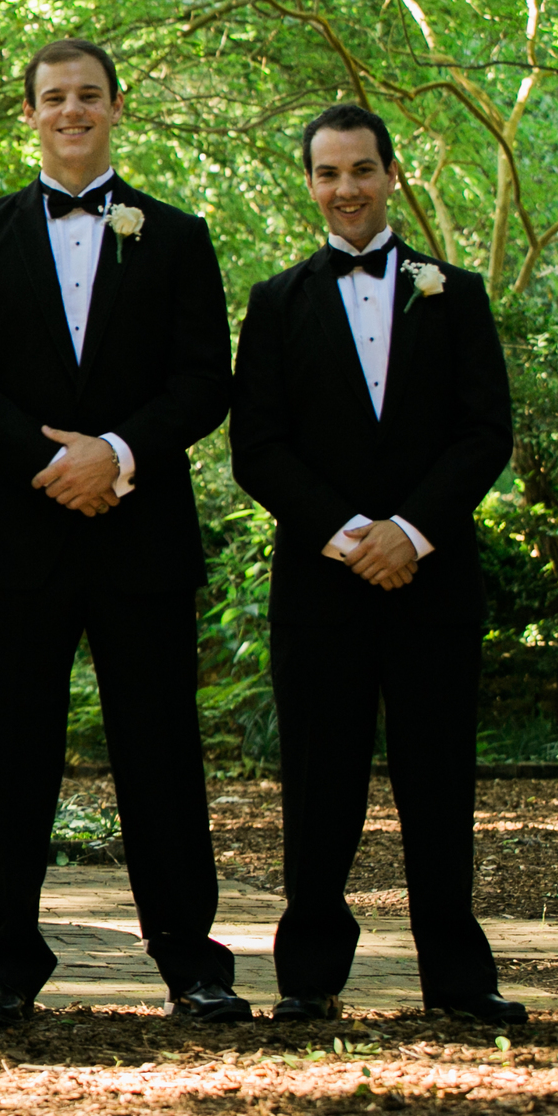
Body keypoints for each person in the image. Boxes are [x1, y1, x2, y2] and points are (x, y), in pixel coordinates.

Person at [0, 38, 243, 1026]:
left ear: (115, 108)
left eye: (87, 96)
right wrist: (49, 460)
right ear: (28, 114)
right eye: (53, 97)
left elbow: (203, 378)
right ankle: (6, 962)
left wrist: (115, 451)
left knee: (161, 749)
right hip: (21, 531)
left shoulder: (178, 235)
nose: (70, 110)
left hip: (139, 531)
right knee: (16, 753)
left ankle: (191, 959)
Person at [231, 103, 524, 1024]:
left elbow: (486, 433)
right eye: (328, 173)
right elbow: (259, 446)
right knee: (321, 781)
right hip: (323, 582)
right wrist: (352, 534)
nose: (346, 189)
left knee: (439, 775)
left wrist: (412, 530)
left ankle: (459, 977)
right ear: (311, 183)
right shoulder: (277, 302)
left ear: (391, 174)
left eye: (361, 170)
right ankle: (309, 974)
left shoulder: (457, 293)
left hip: (432, 577)